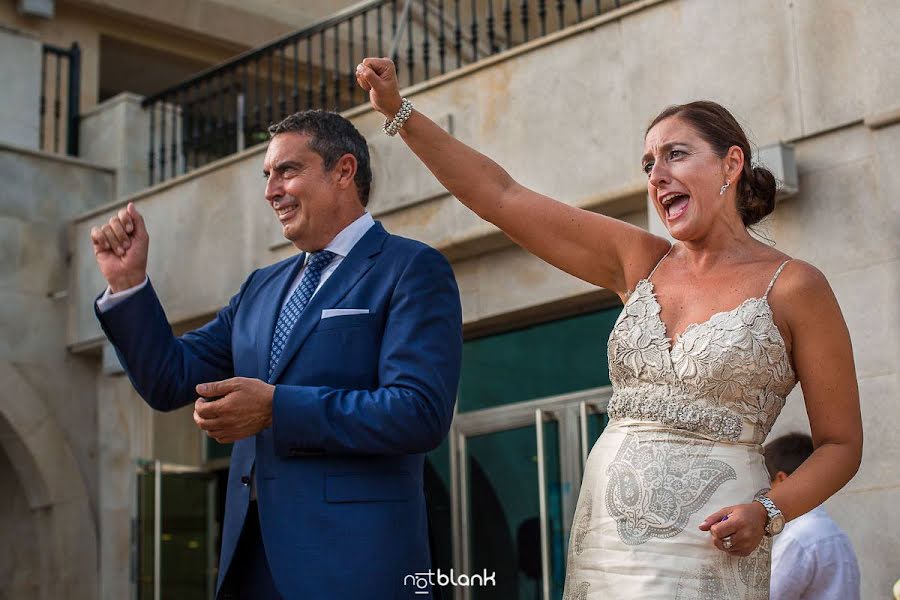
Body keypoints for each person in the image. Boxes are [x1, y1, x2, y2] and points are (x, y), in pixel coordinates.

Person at [355, 58, 863, 598]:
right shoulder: (640, 262)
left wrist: (768, 511)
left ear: (730, 165)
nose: (656, 175)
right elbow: (501, 197)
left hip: (711, 542)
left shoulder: (794, 286)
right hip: (606, 541)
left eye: (675, 154)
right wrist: (399, 112)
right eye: (648, 164)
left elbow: (841, 444)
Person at [90, 110, 463, 599]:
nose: (271, 190)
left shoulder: (411, 269)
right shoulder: (260, 288)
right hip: (251, 567)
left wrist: (274, 408)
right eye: (267, 176)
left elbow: (419, 412)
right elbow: (168, 378)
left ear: (344, 171)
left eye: (287, 170)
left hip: (356, 569)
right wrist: (128, 286)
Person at [764, 433, 860, 599]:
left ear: (781, 480)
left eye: (765, 484)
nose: (763, 496)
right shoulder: (834, 532)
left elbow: (769, 596)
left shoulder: (798, 537)